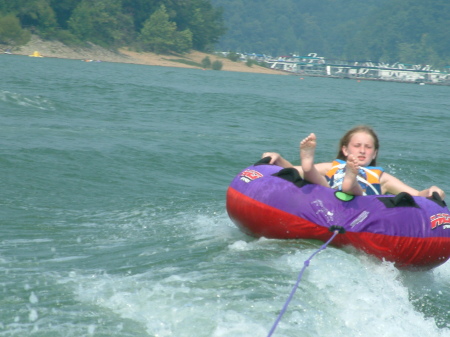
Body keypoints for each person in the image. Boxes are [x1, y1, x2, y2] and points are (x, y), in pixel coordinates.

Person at [262, 125, 445, 199]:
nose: (362, 150)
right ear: (345, 150)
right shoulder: (332, 166)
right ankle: (310, 163)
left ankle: (351, 181)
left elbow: (415, 195)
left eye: (368, 147)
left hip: (361, 207)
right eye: (357, 146)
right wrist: (278, 158)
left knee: (353, 189)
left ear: (374, 153)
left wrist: (431, 191)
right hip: (329, 197)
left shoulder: (382, 177)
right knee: (314, 176)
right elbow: (293, 171)